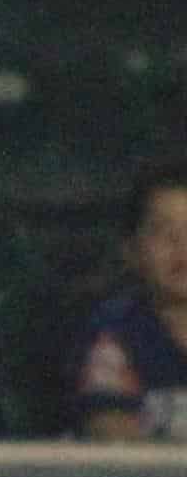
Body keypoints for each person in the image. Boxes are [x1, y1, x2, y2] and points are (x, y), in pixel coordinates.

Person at [68, 161, 187, 442]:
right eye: (162, 231)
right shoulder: (115, 332)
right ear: (132, 251)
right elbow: (108, 428)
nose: (181, 245)